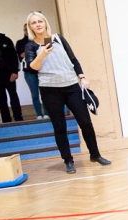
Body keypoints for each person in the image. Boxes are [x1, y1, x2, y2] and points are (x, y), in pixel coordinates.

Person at [24, 12, 110, 174]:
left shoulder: (57, 38)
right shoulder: (31, 46)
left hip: (71, 86)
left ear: (45, 23)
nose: (38, 24)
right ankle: (68, 161)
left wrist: (82, 77)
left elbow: (73, 60)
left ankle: (95, 154)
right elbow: (32, 68)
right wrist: (41, 54)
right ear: (30, 27)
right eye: (34, 23)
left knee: (85, 121)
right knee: (59, 127)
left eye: (40, 21)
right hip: (50, 90)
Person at [16, 23, 47, 120]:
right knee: (34, 94)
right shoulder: (20, 42)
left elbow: (50, 52)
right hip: (29, 71)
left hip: (44, 70)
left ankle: (47, 113)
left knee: (46, 93)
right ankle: (38, 114)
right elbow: (19, 56)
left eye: (28, 29)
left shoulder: (44, 39)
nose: (26, 30)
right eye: (24, 29)